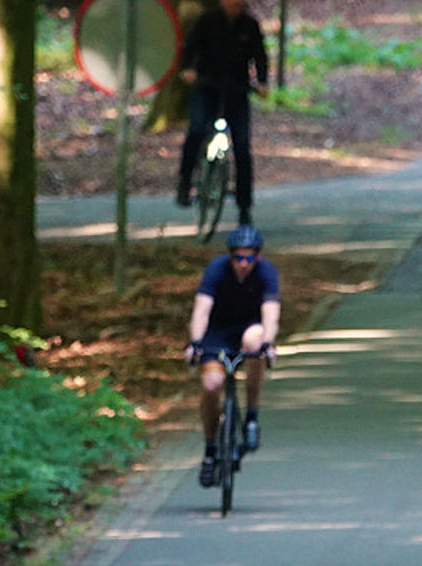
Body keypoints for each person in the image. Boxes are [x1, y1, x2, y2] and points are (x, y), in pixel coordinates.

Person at [184, 225, 279, 486]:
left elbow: (270, 313)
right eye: (238, 257)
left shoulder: (266, 273)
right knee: (212, 385)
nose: (243, 263)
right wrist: (196, 342)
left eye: (249, 258)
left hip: (249, 328)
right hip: (218, 332)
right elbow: (201, 310)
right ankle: (211, 450)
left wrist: (268, 343)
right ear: (230, 256)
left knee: (255, 343)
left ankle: (251, 417)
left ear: (258, 257)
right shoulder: (216, 270)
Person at [176, 0, 270, 225]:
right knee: (197, 130)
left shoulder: (249, 25)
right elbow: (189, 48)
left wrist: (262, 82)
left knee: (242, 146)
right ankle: (185, 181)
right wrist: (188, 70)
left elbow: (260, 55)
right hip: (207, 86)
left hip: (237, 90)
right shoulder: (207, 20)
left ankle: (244, 206)